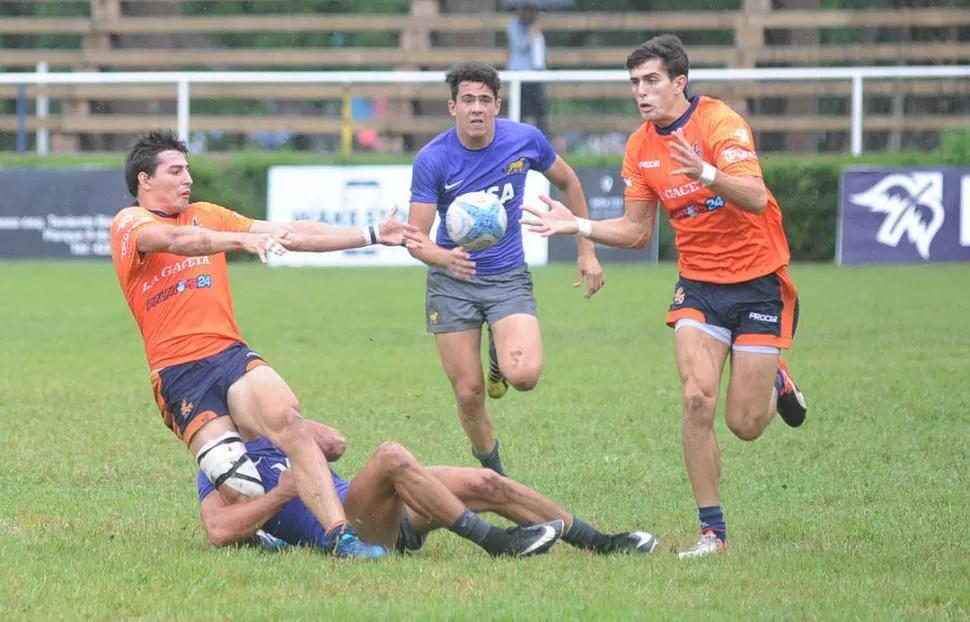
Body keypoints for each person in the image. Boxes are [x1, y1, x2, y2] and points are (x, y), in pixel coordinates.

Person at [521, 34, 808, 559]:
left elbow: (755, 196)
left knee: (744, 424)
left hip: (758, 279)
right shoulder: (640, 147)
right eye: (634, 83)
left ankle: (775, 382)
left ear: (680, 82)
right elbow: (635, 231)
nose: (642, 92)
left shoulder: (721, 125)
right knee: (696, 401)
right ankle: (712, 534)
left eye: (651, 80)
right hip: (698, 285)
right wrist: (577, 225)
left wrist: (706, 172)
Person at [110, 129, 419, 559]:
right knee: (238, 483)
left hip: (229, 354)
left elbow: (290, 233)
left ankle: (340, 535)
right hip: (179, 374)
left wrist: (368, 234)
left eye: (189, 170)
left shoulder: (206, 213)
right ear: (145, 180)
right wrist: (240, 240)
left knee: (288, 420)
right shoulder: (129, 224)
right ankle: (261, 529)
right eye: (176, 170)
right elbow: (177, 242)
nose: (188, 180)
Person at [406, 61, 605, 476]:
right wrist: (445, 258)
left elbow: (569, 182)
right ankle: (495, 473)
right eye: (467, 100)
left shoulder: (525, 141)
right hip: (451, 281)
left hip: (507, 276)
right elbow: (416, 238)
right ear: (452, 107)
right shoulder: (433, 158)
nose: (476, 108)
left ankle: (501, 352)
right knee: (468, 394)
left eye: (484, 100)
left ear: (498, 105)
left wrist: (586, 250)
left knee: (525, 376)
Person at [197, 421, 658, 558]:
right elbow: (217, 530)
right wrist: (281, 495)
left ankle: (599, 542)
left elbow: (337, 443)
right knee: (393, 457)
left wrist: (289, 423)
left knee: (486, 481)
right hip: (352, 529)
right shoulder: (218, 458)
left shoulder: (275, 425)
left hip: (374, 506)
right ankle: (498, 544)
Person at [506, 5, 549, 135]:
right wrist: (531, 34)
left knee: (540, 111)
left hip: (536, 74)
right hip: (521, 74)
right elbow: (520, 45)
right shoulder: (514, 26)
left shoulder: (535, 27)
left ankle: (543, 141)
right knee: (521, 111)